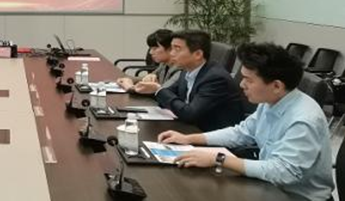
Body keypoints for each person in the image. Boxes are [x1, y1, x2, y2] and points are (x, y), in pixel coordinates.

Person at [158, 42, 334, 201]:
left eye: (249, 80)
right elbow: (241, 132)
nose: (242, 85)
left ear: (277, 86)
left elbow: (284, 173)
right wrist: (189, 139)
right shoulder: (271, 101)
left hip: (297, 196)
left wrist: (218, 159)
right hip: (269, 187)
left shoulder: (303, 119)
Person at [155, 30, 244, 131]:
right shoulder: (187, 70)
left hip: (212, 134)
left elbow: (189, 114)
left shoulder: (215, 78)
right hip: (191, 128)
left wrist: (158, 90)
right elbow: (169, 93)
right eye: (171, 48)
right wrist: (155, 89)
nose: (171, 53)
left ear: (198, 54)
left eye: (177, 49)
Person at [117, 29, 181, 94]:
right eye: (150, 48)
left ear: (170, 49)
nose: (150, 52)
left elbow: (163, 91)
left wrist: (129, 87)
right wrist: (127, 79)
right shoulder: (164, 64)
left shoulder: (180, 69)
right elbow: (146, 78)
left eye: (155, 48)